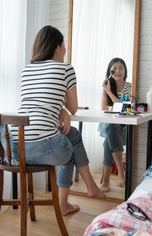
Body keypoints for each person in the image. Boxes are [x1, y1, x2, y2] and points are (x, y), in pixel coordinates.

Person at [12, 25, 106, 216]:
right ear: (57, 46)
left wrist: (59, 109)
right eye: (64, 46)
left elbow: (36, 103)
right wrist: (63, 108)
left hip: (16, 147)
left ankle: (80, 194)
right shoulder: (65, 69)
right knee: (70, 142)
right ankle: (81, 192)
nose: (64, 51)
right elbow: (73, 107)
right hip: (41, 146)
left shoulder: (26, 70)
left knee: (69, 135)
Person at [99, 58, 132, 192]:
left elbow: (123, 108)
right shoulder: (106, 85)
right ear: (110, 71)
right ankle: (120, 171)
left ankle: (106, 179)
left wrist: (109, 93)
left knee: (108, 140)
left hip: (123, 127)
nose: (118, 71)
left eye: (121, 68)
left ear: (125, 71)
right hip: (109, 124)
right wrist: (107, 90)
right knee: (111, 127)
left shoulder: (129, 86)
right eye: (115, 68)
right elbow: (103, 107)